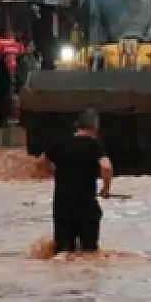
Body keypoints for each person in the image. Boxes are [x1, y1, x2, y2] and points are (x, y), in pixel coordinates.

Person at [38, 108, 114, 256]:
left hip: (62, 205)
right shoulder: (94, 145)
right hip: (86, 205)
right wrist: (106, 189)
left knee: (62, 253)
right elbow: (106, 167)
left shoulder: (61, 144)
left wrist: (53, 172)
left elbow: (40, 161)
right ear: (95, 127)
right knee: (89, 253)